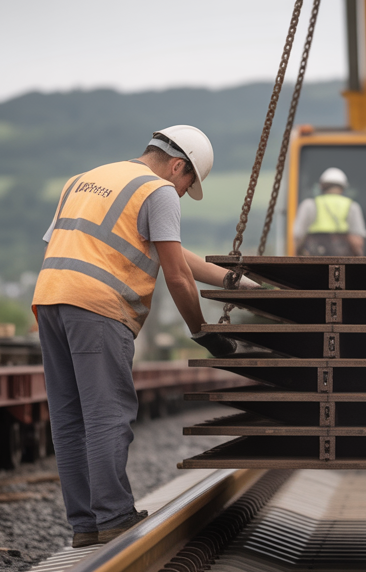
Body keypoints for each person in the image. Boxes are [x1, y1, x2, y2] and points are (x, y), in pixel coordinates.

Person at [33, 125, 242, 549]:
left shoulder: (86, 180)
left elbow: (171, 252)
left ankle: (86, 524)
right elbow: (177, 276)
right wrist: (203, 333)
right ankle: (113, 516)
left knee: (70, 418)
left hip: (51, 299)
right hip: (98, 306)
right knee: (108, 413)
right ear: (178, 166)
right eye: (188, 184)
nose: (182, 193)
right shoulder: (158, 191)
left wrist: (237, 284)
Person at [293, 167, 366, 256]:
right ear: (343, 187)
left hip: (314, 259)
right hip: (342, 260)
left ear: (321, 186)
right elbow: (357, 241)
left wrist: (298, 256)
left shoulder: (309, 205)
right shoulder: (352, 206)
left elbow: (298, 235)